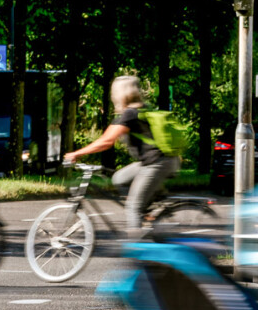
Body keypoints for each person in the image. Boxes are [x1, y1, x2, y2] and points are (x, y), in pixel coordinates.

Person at [65, 76, 180, 235]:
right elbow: (108, 138)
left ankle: (135, 246)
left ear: (119, 94)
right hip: (158, 161)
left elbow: (106, 141)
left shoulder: (131, 114)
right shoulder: (141, 109)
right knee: (119, 178)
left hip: (157, 163)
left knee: (133, 206)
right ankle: (151, 210)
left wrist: (76, 153)